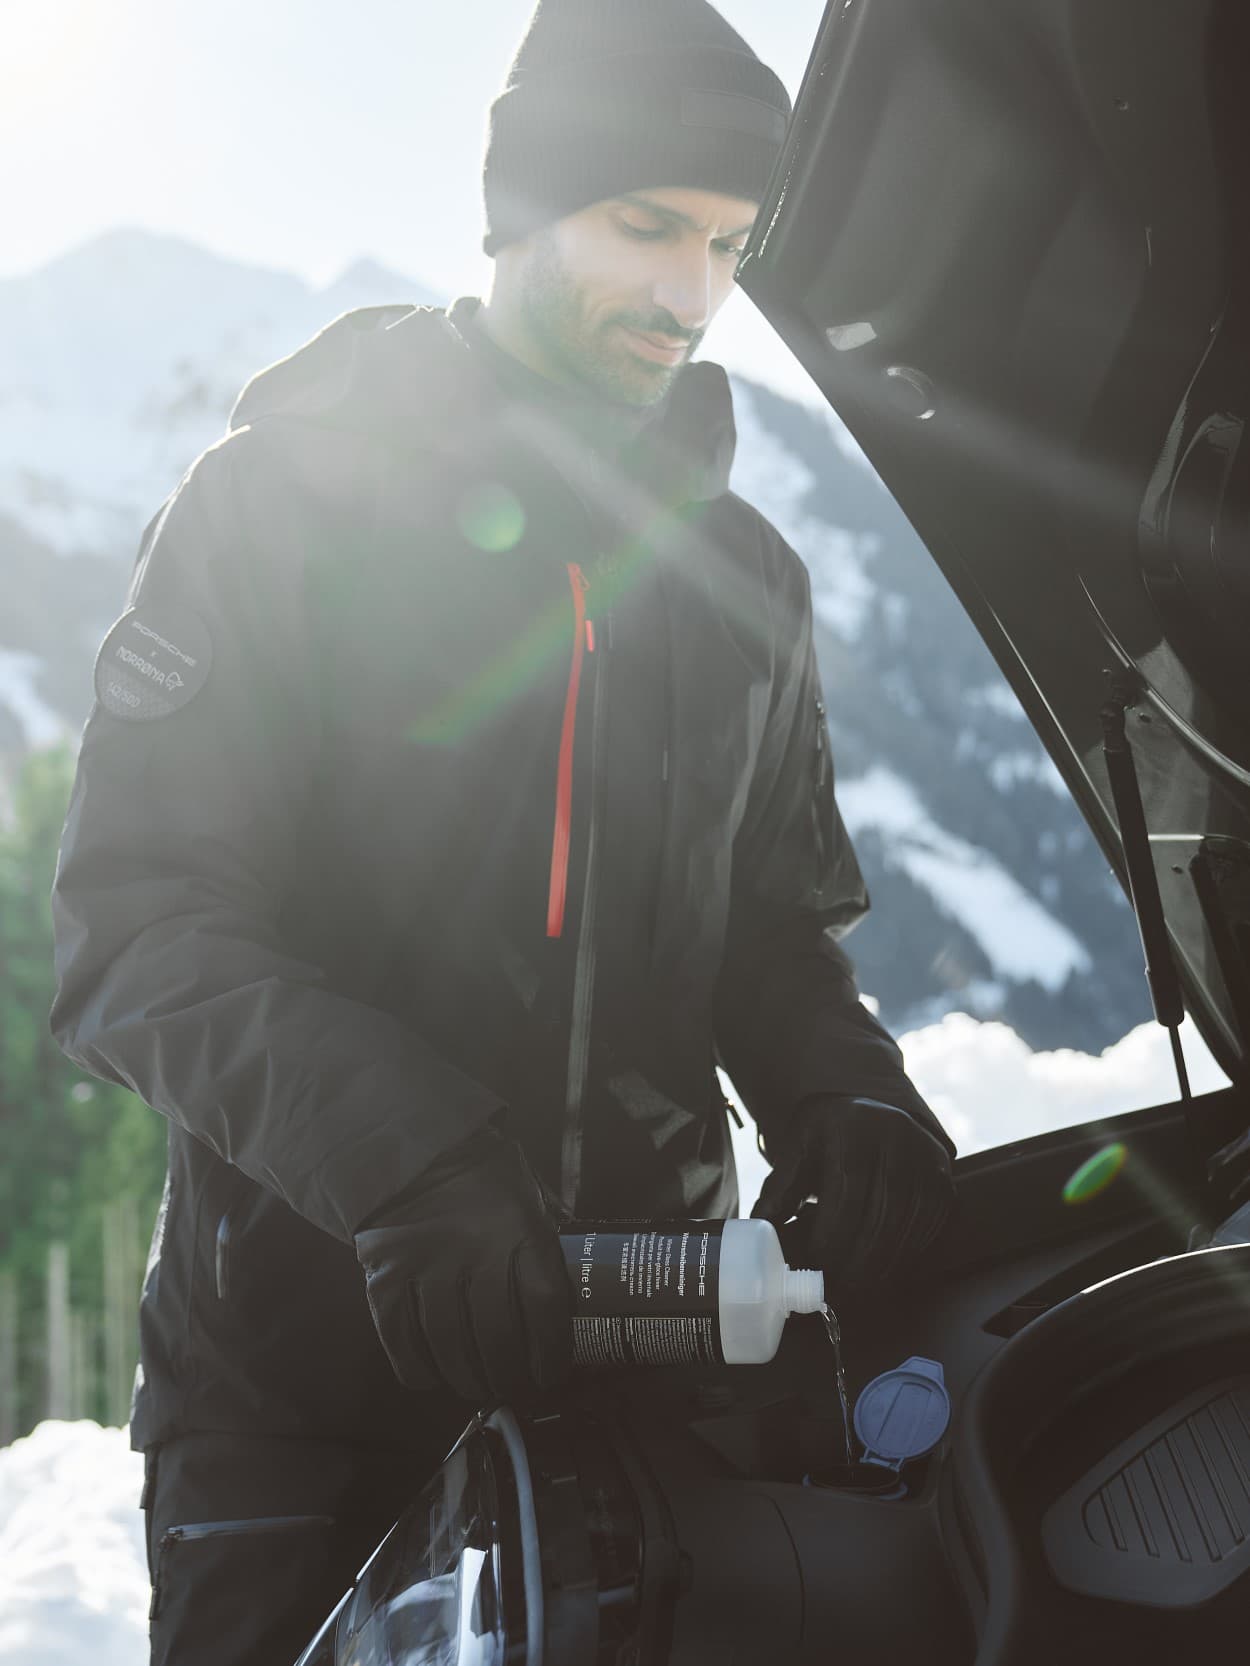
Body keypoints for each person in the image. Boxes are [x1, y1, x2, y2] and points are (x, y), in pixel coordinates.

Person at [48, 2, 956, 1661]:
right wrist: (414, 1160)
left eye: (728, 244)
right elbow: (138, 931)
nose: (689, 294)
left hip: (651, 1371)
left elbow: (764, 924)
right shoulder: (277, 508)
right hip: (301, 1404)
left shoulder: (745, 578)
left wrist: (842, 1083)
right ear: (517, 207)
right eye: (644, 226)